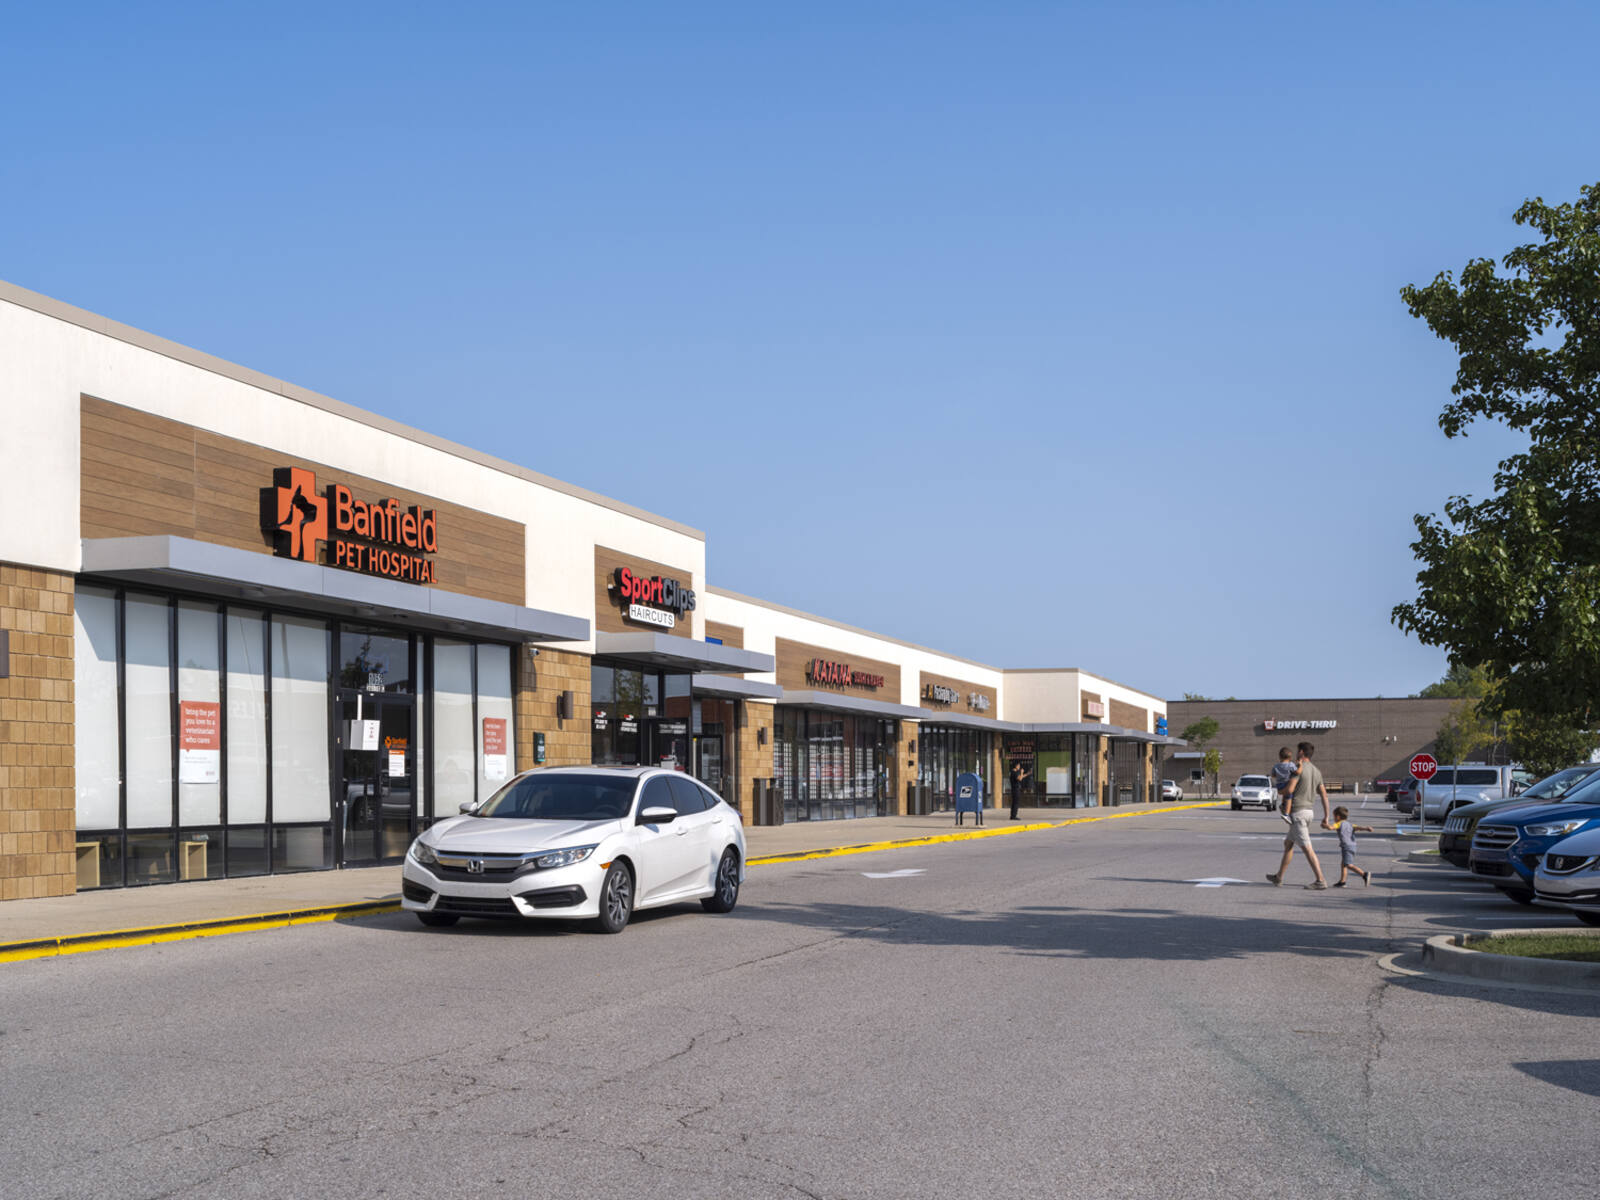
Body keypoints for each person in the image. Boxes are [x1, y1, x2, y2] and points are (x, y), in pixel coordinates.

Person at [1266, 742, 1332, 890]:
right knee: (1288, 844)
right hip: (1309, 812)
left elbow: (1289, 789)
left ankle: (1320, 880)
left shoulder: (1297, 769)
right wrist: (1326, 817)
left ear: (1301, 752)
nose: (1296, 754)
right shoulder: (1317, 771)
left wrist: (1279, 791)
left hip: (1298, 813)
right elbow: (1324, 796)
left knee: (1307, 848)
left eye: (1298, 751)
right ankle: (1278, 877)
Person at [1329, 807, 1373, 887]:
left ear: (1338, 817)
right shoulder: (1349, 824)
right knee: (1343, 864)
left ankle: (1364, 874)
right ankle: (1342, 881)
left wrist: (1325, 825)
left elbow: (1331, 827)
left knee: (1348, 864)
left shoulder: (1339, 823)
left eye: (1334, 816)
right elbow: (1357, 827)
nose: (1334, 818)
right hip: (1352, 846)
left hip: (1346, 847)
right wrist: (1366, 828)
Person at [1270, 747, 1295, 817]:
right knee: (1289, 798)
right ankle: (1286, 814)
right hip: (1287, 783)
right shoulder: (1291, 765)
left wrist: (1279, 775)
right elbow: (1296, 772)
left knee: (1285, 795)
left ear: (1280, 757)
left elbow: (1273, 775)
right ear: (1290, 758)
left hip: (1279, 785)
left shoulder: (1276, 766)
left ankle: (1283, 805)